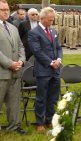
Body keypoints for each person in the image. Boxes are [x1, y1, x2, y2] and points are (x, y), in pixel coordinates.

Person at [28, 7, 63, 133]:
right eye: (50, 20)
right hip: (43, 70)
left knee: (53, 98)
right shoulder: (34, 32)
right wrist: (50, 62)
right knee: (41, 98)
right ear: (42, 19)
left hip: (56, 70)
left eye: (53, 20)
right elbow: (37, 51)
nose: (52, 22)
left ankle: (49, 120)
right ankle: (40, 122)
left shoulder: (53, 31)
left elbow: (58, 47)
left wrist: (59, 59)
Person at [0, 0, 27, 134]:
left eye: (7, 9)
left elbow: (21, 46)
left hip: (15, 72)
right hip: (2, 72)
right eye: (2, 9)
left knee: (14, 102)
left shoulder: (13, 27)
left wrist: (21, 61)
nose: (6, 12)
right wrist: (10, 64)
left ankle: (14, 126)